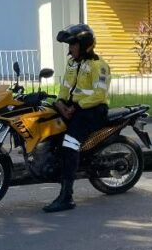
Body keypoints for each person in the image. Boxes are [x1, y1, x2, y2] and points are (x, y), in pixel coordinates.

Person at [45, 24, 111, 213]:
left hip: (92, 110)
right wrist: (60, 102)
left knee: (69, 145)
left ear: (84, 45)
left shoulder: (99, 65)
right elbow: (65, 86)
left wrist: (75, 107)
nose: (70, 48)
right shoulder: (72, 63)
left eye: (73, 44)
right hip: (73, 108)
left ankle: (67, 197)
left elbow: (99, 95)